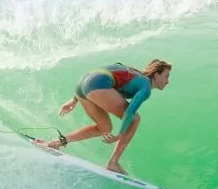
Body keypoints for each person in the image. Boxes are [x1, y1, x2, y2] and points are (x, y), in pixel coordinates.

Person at [42, 59, 172, 175]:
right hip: (97, 85)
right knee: (135, 120)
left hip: (82, 84)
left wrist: (74, 99)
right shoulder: (145, 87)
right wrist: (121, 133)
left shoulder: (131, 71)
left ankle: (57, 142)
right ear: (156, 75)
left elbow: (99, 74)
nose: (167, 82)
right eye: (166, 77)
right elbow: (130, 112)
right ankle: (113, 162)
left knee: (104, 128)